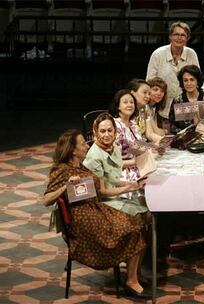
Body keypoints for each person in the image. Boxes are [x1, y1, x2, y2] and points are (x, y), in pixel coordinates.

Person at [41, 129, 149, 296]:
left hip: (95, 210)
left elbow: (102, 190)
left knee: (138, 222)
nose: (87, 146)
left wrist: (130, 186)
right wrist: (65, 187)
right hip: (82, 220)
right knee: (132, 229)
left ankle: (135, 274)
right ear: (73, 150)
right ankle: (131, 280)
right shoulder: (63, 170)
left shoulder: (81, 165)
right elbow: (46, 200)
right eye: (83, 143)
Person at [83, 112, 149, 217]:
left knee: (146, 203)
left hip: (113, 196)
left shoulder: (113, 146)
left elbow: (112, 179)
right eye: (102, 131)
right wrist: (128, 188)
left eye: (110, 130)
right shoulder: (94, 156)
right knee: (142, 215)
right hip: (102, 203)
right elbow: (102, 192)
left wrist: (132, 184)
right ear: (96, 133)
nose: (107, 135)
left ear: (115, 131)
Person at [146, 21, 201, 120]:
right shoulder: (158, 54)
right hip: (162, 107)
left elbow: (199, 80)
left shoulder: (191, 53)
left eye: (183, 35)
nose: (179, 38)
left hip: (184, 107)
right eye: (176, 34)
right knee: (163, 134)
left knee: (181, 133)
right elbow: (149, 82)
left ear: (187, 38)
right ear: (170, 37)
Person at [169, 64, 204, 133]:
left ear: (198, 81)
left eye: (192, 80)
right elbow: (173, 126)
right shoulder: (178, 100)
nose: (189, 83)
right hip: (184, 139)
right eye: (185, 80)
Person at [126, 78, 164, 144]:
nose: (148, 96)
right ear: (132, 93)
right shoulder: (126, 110)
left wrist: (162, 140)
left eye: (149, 94)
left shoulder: (145, 108)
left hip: (143, 145)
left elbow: (150, 134)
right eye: (144, 92)